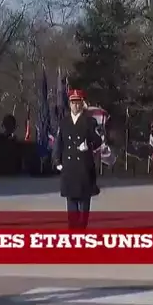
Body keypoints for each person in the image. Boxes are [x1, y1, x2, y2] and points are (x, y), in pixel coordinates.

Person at [53, 89, 102, 229]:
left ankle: (82, 227)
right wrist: (57, 161)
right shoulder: (64, 122)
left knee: (84, 202)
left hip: (84, 166)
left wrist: (89, 145)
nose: (75, 105)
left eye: (78, 102)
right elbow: (59, 142)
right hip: (69, 166)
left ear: (82, 103)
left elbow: (98, 140)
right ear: (69, 104)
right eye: (72, 102)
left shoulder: (90, 121)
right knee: (71, 201)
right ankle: (73, 230)